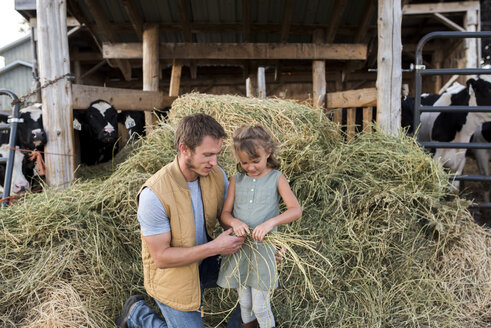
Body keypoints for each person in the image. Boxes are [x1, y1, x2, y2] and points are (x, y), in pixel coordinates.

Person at [116, 113, 246, 328]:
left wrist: (261, 249)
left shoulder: (216, 175)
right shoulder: (154, 193)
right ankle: (137, 316)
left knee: (260, 275)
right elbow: (162, 258)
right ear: (184, 148)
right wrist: (215, 247)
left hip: (206, 263)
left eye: (217, 154)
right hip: (173, 276)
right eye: (207, 155)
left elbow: (227, 218)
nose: (214, 162)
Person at [217, 125, 302, 328]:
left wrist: (270, 223)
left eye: (256, 161)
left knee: (261, 306)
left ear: (268, 152)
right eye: (244, 162)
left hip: (264, 251)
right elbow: (224, 215)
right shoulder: (236, 180)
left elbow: (295, 210)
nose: (251, 167)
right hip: (241, 249)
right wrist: (234, 222)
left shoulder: (276, 178)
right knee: (245, 304)